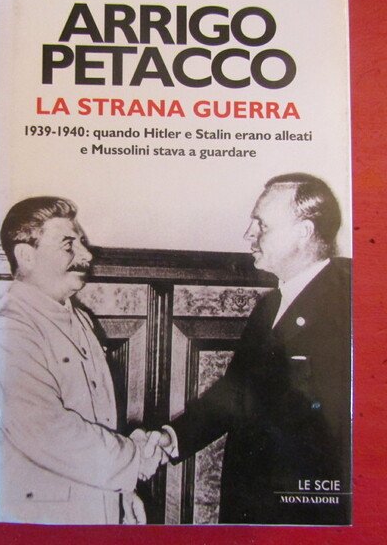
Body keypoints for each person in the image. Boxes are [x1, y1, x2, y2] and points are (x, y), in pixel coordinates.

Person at [148, 173, 352, 524]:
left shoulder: (346, 304)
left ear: (303, 232)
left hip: (301, 515)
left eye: (262, 224)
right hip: (256, 505)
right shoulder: (270, 307)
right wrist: (173, 437)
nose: (248, 234)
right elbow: (238, 391)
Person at [0, 196, 159, 525]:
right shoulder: (8, 328)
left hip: (93, 511)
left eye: (82, 243)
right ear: (26, 256)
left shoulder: (81, 320)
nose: (86, 256)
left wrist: (123, 493)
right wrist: (134, 459)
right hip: (41, 520)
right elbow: (48, 432)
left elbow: (96, 421)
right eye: (68, 245)